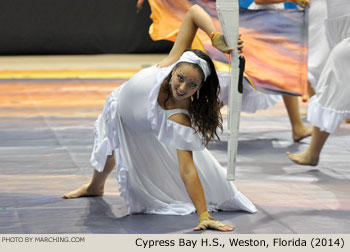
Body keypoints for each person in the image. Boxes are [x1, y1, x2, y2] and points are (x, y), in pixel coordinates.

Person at [63, 4, 257, 232]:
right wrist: (214, 36)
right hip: (117, 104)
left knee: (115, 150)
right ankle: (95, 186)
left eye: (192, 85)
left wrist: (203, 215)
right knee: (107, 148)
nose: (183, 87)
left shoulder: (179, 117)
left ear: (199, 88)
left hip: (140, 126)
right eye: (181, 78)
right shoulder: (173, 59)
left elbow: (187, 169)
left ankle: (95, 186)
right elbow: (194, 12)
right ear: (174, 70)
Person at [287, 0, 350, 165]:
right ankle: (311, 151)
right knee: (325, 74)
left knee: (336, 67)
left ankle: (312, 152)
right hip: (335, 20)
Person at [247, 0, 313, 142]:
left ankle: (298, 127)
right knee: (244, 76)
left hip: (273, 19)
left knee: (284, 72)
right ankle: (208, 118)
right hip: (262, 21)